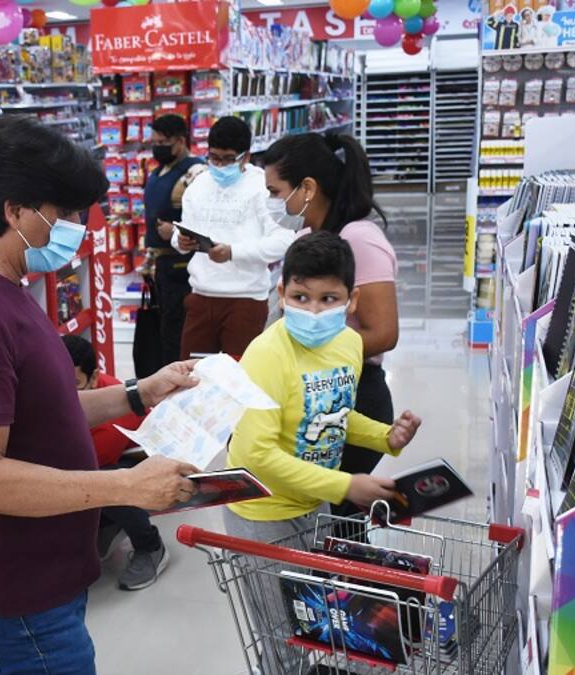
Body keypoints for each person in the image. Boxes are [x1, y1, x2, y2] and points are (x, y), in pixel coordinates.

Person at [0, 116, 201, 675]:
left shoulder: (5, 286)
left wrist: (141, 393)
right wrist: (127, 486)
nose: (75, 228)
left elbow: (40, 411)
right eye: (64, 213)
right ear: (14, 210)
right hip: (14, 598)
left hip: (44, 584)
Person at [223, 232, 422, 673]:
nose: (313, 311)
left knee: (316, 618)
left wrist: (385, 436)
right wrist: (346, 485)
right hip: (262, 515)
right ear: (281, 294)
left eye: (328, 298)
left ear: (352, 300)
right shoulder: (266, 355)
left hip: (314, 507)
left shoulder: (349, 345)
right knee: (281, 636)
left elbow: (334, 414)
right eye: (301, 297)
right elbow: (256, 455)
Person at [260, 133, 400, 527]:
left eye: (275, 192)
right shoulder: (309, 238)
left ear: (307, 188)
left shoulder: (359, 239)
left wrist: (312, 357)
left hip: (351, 392)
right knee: (325, 521)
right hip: (311, 394)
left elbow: (384, 332)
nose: (273, 202)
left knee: (334, 519)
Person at [173, 116, 295, 358]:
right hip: (201, 295)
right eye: (214, 158)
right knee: (193, 372)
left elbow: (283, 241)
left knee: (242, 372)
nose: (219, 166)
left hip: (246, 299)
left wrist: (232, 252)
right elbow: (183, 230)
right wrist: (180, 241)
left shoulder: (263, 187)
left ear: (246, 156)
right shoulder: (198, 185)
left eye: (228, 159)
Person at [62, 335, 166, 591]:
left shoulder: (111, 420)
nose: (65, 393)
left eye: (74, 384)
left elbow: (69, 474)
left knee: (100, 481)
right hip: (108, 458)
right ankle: (107, 525)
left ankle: (150, 545)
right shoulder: (77, 389)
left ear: (94, 378)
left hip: (144, 466)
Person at [140, 114, 206, 373]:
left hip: (182, 266)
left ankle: (179, 379)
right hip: (162, 265)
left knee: (178, 332)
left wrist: (175, 232)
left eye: (163, 142)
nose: (157, 148)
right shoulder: (159, 171)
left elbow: (204, 221)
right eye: (154, 142)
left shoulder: (195, 172)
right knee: (165, 329)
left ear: (180, 141)